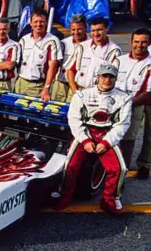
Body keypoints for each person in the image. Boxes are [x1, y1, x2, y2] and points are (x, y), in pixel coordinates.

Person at [56, 64, 132, 215]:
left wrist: (106, 142)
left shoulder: (124, 98)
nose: (107, 79)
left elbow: (123, 124)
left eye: (111, 77)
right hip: (86, 131)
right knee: (69, 165)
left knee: (119, 169)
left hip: (108, 133)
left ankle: (109, 200)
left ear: (116, 78)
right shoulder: (82, 95)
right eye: (104, 76)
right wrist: (84, 140)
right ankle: (65, 196)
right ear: (98, 77)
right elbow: (74, 119)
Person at [116, 28, 151, 180]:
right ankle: (119, 166)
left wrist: (128, 104)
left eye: (144, 42)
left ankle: (144, 165)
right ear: (131, 42)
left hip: (143, 100)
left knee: (147, 135)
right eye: (136, 41)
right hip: (122, 102)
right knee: (122, 134)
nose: (139, 45)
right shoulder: (120, 60)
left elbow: (148, 92)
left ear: (149, 43)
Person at [66, 17, 122, 93]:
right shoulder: (82, 46)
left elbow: (114, 77)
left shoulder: (114, 50)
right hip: (77, 90)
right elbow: (70, 70)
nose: (96, 34)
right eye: (93, 30)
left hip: (98, 93)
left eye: (99, 30)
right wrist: (75, 91)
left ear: (107, 29)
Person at [15, 10, 62, 101]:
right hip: (20, 83)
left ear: (46, 22)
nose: (38, 24)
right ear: (31, 23)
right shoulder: (24, 39)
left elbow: (53, 67)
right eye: (36, 22)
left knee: (32, 114)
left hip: (38, 86)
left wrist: (46, 88)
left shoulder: (53, 41)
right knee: (18, 113)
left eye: (41, 22)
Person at [54, 14, 87, 102]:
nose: (76, 32)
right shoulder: (63, 43)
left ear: (85, 28)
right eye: (73, 29)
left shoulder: (91, 45)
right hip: (61, 84)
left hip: (78, 86)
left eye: (79, 29)